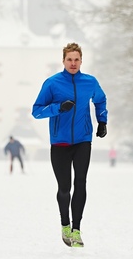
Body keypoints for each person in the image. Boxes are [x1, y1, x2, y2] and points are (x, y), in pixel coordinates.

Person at [32, 42, 107, 248]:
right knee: (64, 187)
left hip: (83, 139)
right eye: (69, 59)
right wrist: (58, 108)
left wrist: (102, 121)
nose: (73, 63)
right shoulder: (52, 83)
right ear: (63, 61)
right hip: (60, 142)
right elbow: (37, 110)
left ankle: (76, 230)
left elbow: (100, 100)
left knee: (81, 183)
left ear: (81, 60)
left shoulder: (90, 82)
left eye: (76, 59)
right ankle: (64, 225)